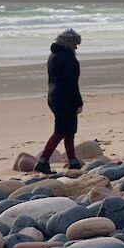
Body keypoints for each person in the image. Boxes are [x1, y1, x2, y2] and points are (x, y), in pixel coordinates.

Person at [35, 28, 84, 174]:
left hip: (54, 96)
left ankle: (73, 161)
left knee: (68, 130)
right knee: (61, 130)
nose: (77, 47)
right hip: (65, 98)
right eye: (75, 44)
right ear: (69, 43)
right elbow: (71, 83)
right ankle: (43, 161)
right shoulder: (68, 57)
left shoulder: (54, 55)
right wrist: (79, 102)